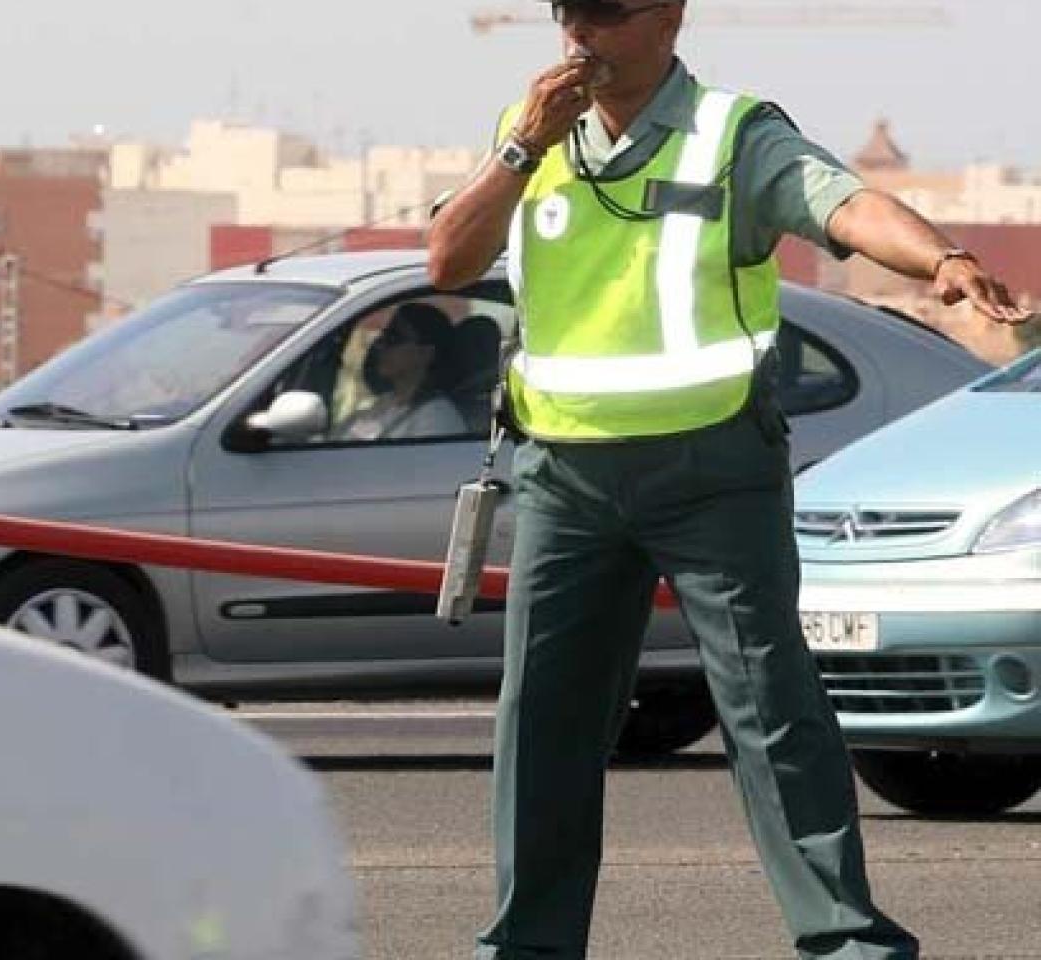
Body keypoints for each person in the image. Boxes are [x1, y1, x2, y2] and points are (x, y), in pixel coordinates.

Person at [425, 2, 1032, 958]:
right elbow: (449, 259)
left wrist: (944, 259)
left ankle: (846, 940)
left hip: (710, 470)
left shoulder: (733, 136)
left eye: (607, 14)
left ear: (667, 15)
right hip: (565, 477)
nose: (582, 34)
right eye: (566, 12)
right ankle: (527, 946)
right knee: (542, 720)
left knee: (768, 707)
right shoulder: (530, 130)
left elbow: (845, 204)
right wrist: (520, 150)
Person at [333, 302, 468, 440]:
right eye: (383, 336)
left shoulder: (437, 417)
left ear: (425, 353)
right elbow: (349, 442)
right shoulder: (385, 402)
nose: (380, 345)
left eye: (394, 338)